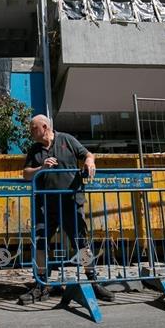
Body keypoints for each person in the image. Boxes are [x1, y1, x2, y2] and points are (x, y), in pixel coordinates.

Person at [18, 114, 115, 305]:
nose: (31, 132)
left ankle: (93, 282)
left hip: (70, 202)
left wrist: (90, 161)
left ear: (45, 127)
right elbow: (25, 174)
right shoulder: (35, 149)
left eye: (33, 128)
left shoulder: (66, 140)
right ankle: (41, 285)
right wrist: (40, 168)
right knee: (40, 243)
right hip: (45, 205)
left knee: (81, 242)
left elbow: (87, 154)